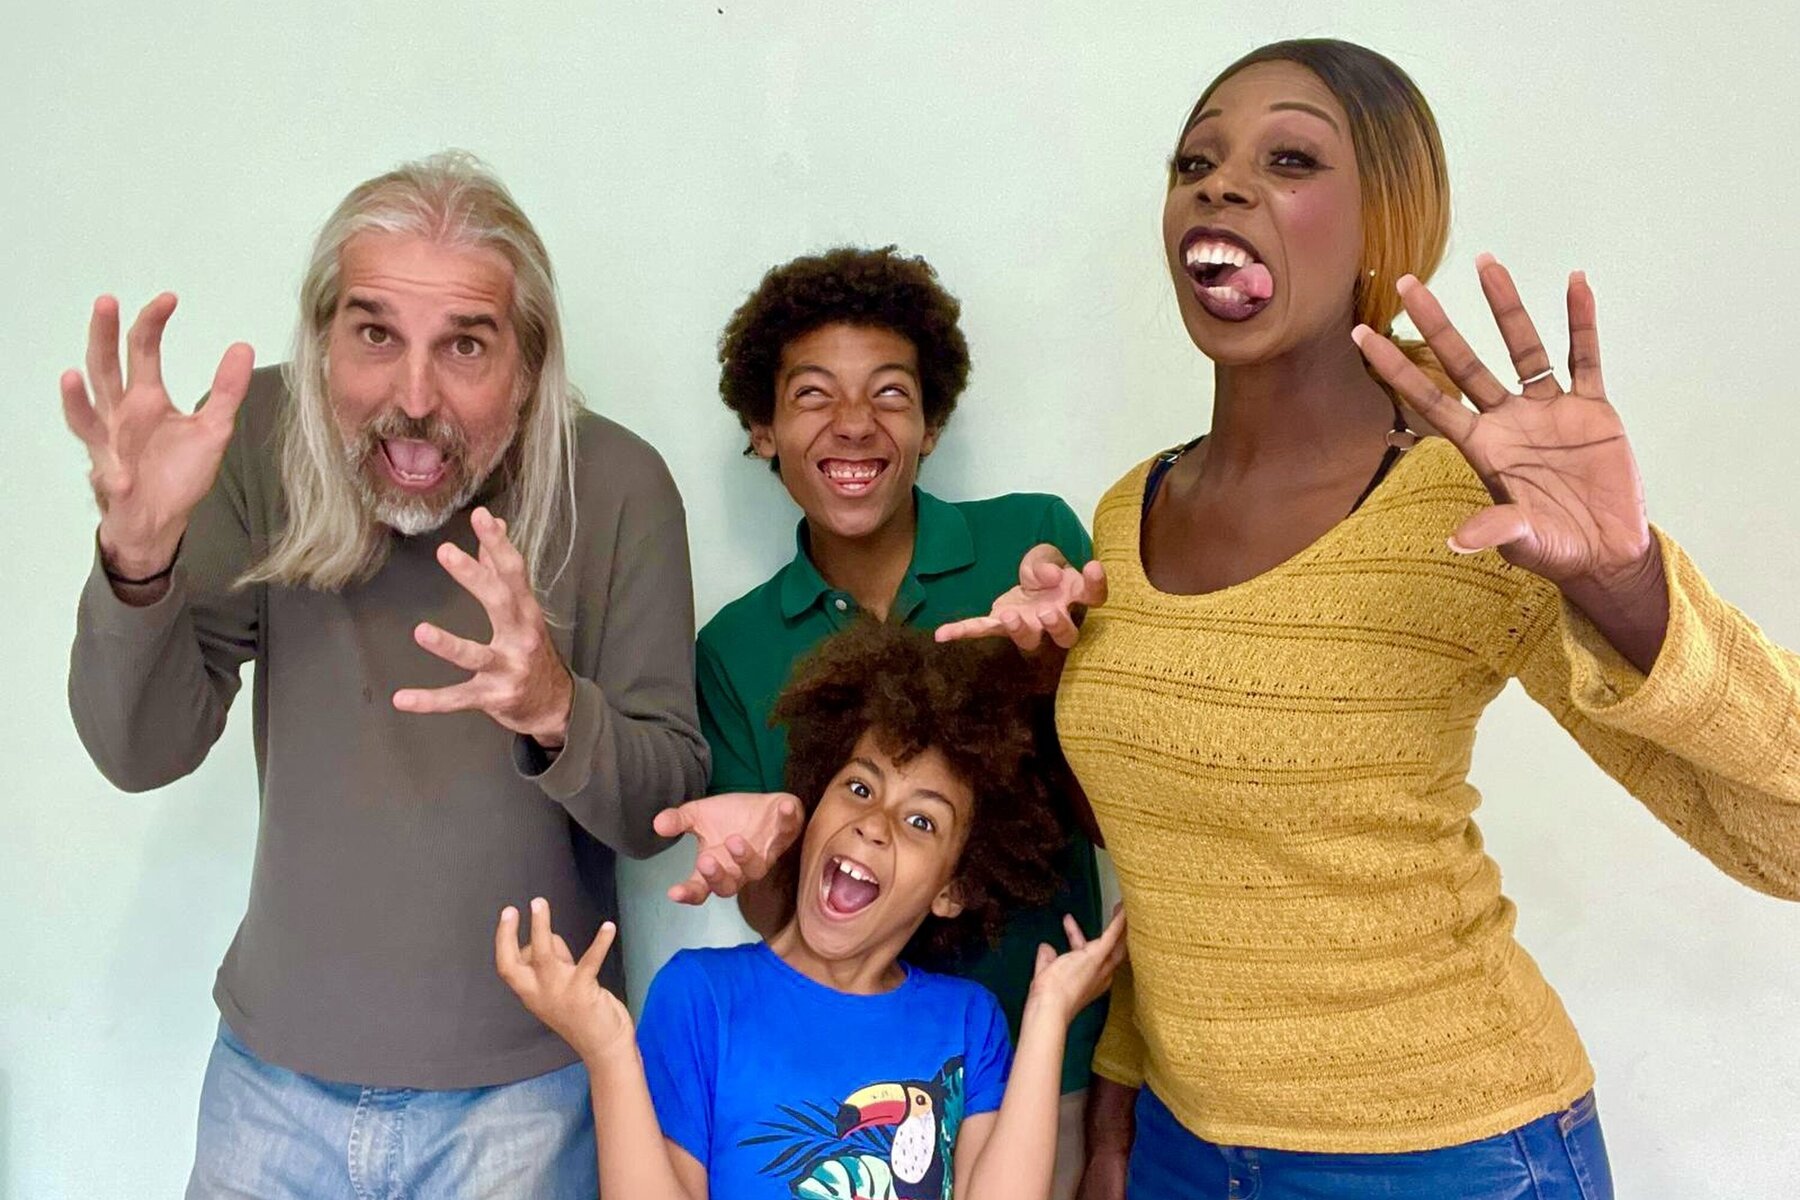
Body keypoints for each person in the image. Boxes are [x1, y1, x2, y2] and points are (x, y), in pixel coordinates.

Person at [940, 39, 1800, 1200]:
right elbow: (1175, 847)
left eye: (1289, 159)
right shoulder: (1128, 509)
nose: (1220, 184)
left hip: (1450, 1154)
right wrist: (1118, 1115)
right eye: (1195, 161)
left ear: (1386, 226)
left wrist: (1626, 582)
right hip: (1187, 1151)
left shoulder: (1465, 498)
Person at [62, 151, 709, 1198]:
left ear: (530, 365)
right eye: (375, 335)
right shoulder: (255, 439)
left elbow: (661, 810)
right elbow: (140, 752)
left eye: (466, 345)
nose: (414, 397)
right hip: (272, 1079)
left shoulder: (618, 484)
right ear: (323, 342)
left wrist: (556, 708)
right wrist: (137, 561)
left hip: (525, 1096)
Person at [655, 246, 1110, 1197]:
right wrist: (764, 845)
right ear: (763, 427)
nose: (855, 423)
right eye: (813, 395)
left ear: (932, 423)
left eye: (891, 393)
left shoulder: (1030, 543)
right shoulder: (734, 646)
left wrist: (1052, 676)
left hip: (1047, 1065)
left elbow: (1120, 815)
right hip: (844, 1100)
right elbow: (784, 918)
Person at [497, 621, 1128, 1200]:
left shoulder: (969, 1020)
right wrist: (608, 1051)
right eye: (859, 786)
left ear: (952, 890)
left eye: (921, 821)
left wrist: (1049, 1015)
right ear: (812, 808)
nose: (874, 824)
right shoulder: (700, 996)